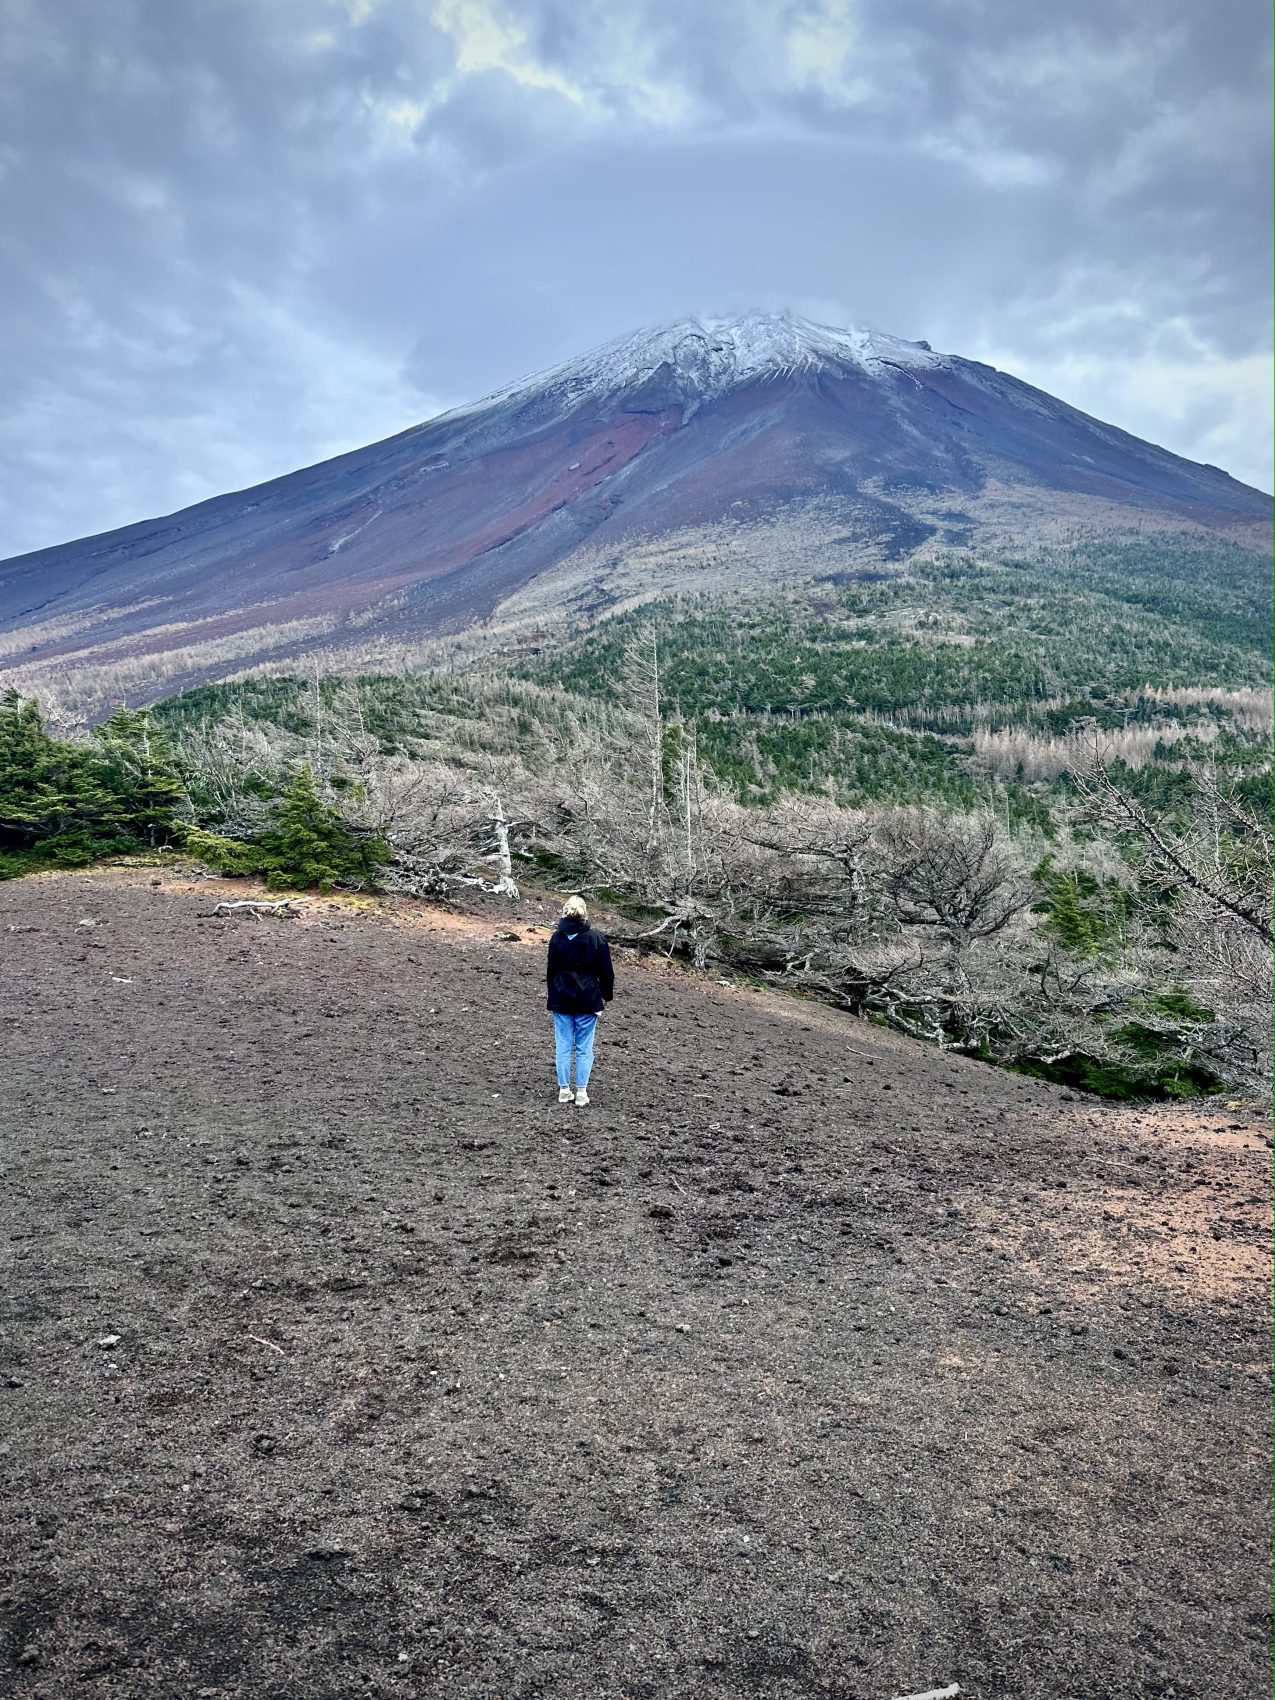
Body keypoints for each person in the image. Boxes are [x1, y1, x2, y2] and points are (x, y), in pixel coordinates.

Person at [545, 894, 614, 1105]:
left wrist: (553, 994)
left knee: (563, 1046)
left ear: (565, 911)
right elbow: (607, 972)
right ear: (585, 912)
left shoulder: (556, 937)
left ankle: (564, 1090)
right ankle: (582, 1092)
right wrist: (606, 996)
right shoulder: (596, 938)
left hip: (561, 997)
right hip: (588, 997)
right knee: (584, 1047)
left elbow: (551, 970)